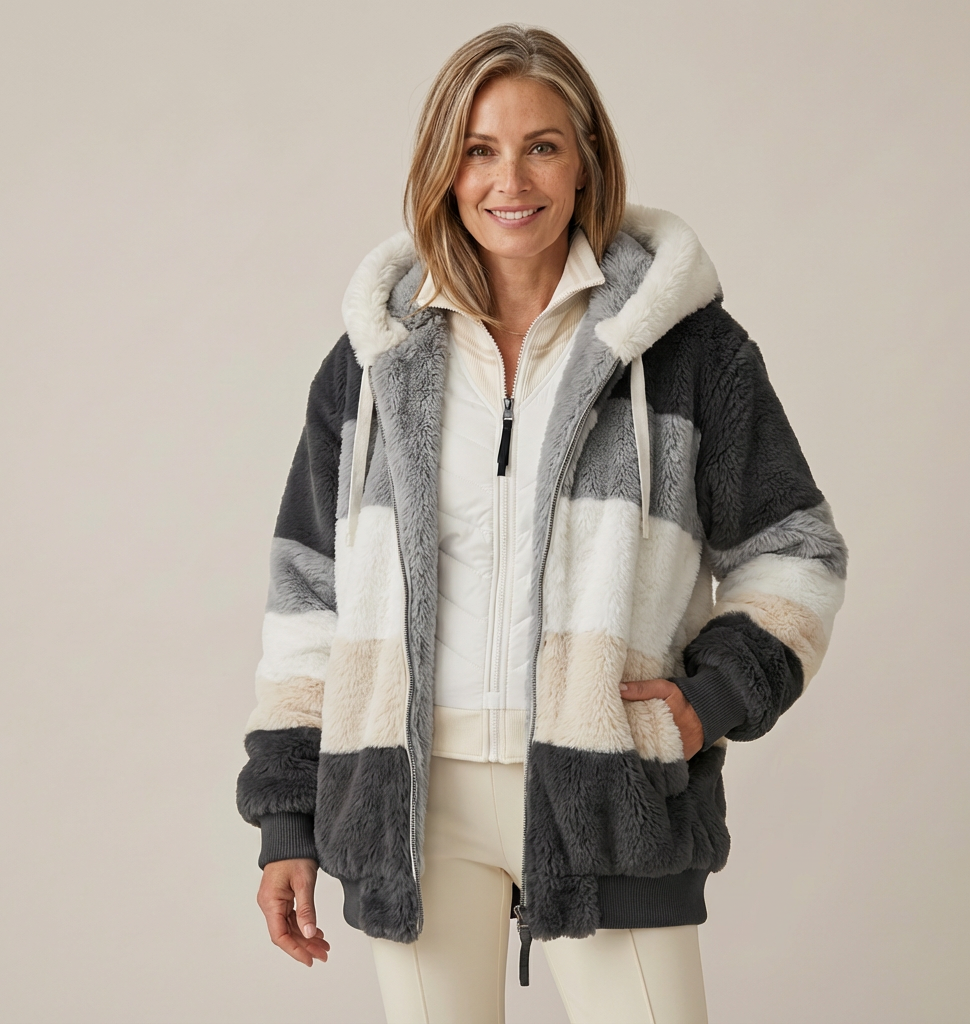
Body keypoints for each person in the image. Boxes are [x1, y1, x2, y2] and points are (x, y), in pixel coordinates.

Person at [235, 23, 846, 1024]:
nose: (509, 180)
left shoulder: (689, 351)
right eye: (479, 149)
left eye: (541, 146)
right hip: (412, 805)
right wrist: (286, 817)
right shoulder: (374, 361)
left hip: (608, 794)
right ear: (442, 167)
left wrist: (706, 702)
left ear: (586, 159)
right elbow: (310, 597)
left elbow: (795, 553)